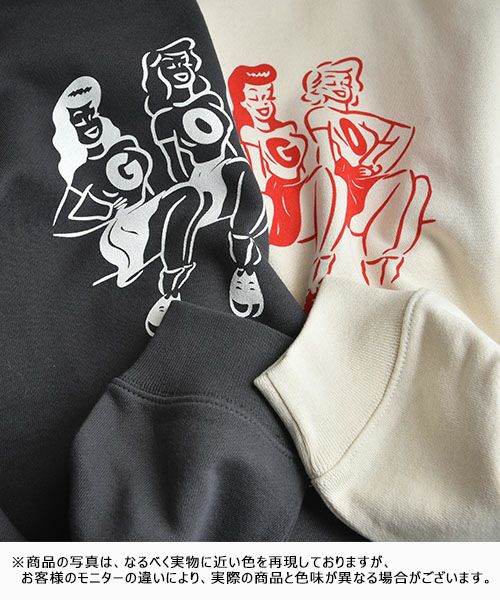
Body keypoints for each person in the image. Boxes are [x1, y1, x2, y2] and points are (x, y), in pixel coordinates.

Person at [142, 38, 267, 334]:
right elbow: (173, 168)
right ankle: (170, 294)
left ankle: (244, 269)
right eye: (171, 65)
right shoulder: (164, 119)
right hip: (197, 178)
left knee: (240, 175)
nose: (180, 67)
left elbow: (231, 147)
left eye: (183, 61)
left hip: (227, 167)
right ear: (161, 73)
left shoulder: (211, 99)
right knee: (186, 204)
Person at [302, 57, 432, 302]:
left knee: (415, 181)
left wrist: (374, 163)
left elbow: (402, 133)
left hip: (368, 186)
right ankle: (327, 260)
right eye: (334, 82)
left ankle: (384, 259)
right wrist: (353, 169)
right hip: (340, 186)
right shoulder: (320, 115)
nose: (341, 87)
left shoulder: (359, 118)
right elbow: (327, 156)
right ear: (321, 87)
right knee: (332, 179)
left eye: (345, 82)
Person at [52, 75, 162, 288]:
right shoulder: (83, 173)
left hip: (155, 218)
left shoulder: (127, 144)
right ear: (70, 129)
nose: (89, 123)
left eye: (91, 114)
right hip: (123, 234)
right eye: (79, 120)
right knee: (121, 236)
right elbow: (61, 224)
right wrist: (105, 212)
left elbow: (149, 189)